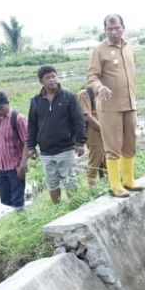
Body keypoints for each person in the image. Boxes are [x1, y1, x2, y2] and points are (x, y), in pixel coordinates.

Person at [88, 14, 143, 198]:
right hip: (110, 107)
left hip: (129, 103)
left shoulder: (129, 48)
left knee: (130, 143)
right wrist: (100, 87)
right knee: (113, 145)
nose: (113, 32)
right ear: (105, 30)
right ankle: (115, 184)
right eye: (109, 29)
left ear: (123, 28)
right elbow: (92, 76)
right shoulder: (99, 50)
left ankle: (129, 180)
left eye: (117, 28)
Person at [26, 65, 86, 204]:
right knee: (52, 182)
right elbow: (32, 126)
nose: (52, 80)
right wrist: (31, 147)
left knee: (69, 180)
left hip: (65, 148)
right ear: (41, 81)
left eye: (54, 76)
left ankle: (75, 207)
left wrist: (80, 142)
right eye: (47, 78)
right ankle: (57, 209)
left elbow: (79, 121)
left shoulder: (69, 97)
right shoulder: (35, 101)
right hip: (46, 151)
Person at [0, 92, 28, 212]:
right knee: (5, 198)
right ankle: (19, 213)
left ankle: (22, 220)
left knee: (17, 198)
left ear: (7, 104)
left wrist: (23, 165)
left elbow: (27, 142)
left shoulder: (18, 118)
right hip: (1, 166)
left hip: (15, 166)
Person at [77, 85, 105, 186]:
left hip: (104, 131)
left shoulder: (102, 91)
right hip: (93, 132)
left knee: (106, 161)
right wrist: (103, 130)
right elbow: (87, 116)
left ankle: (106, 185)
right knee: (95, 162)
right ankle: (92, 189)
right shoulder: (84, 94)